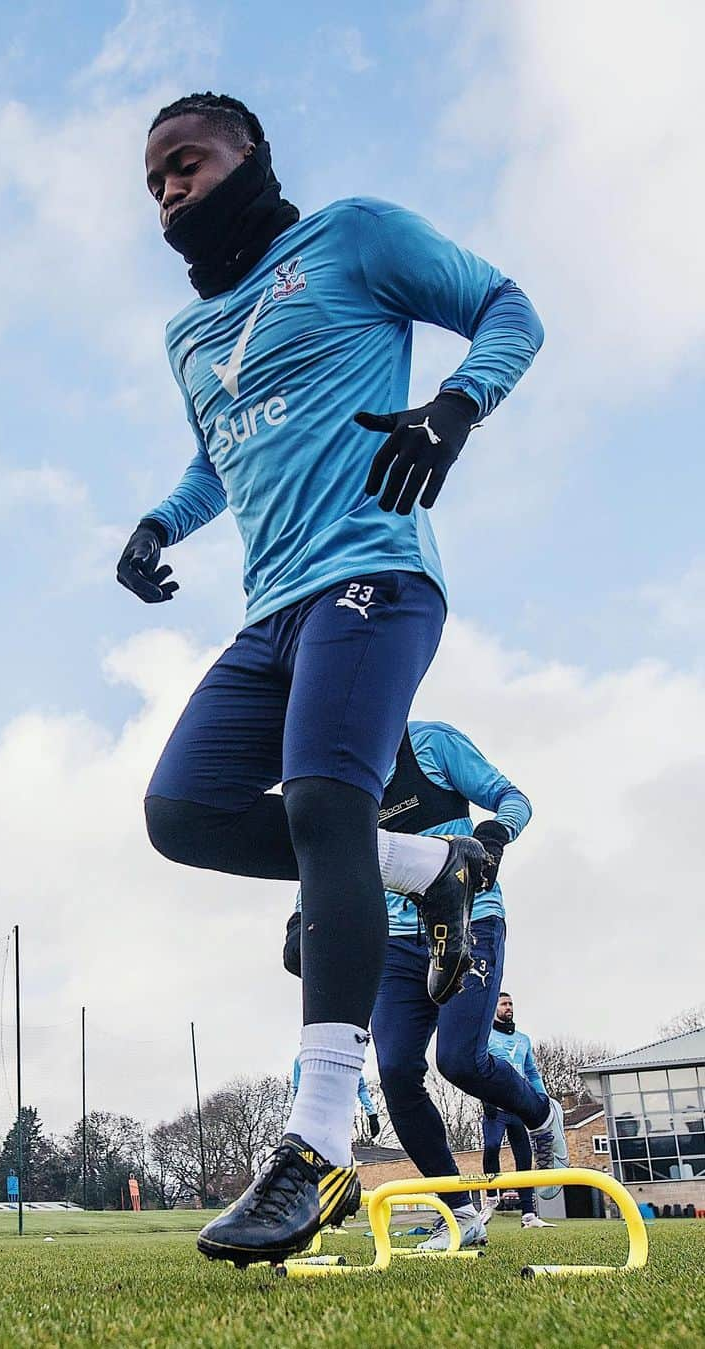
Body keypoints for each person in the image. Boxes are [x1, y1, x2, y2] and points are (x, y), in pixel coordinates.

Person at [118, 90, 543, 1265]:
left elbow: (507, 307)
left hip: (376, 574)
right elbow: (221, 448)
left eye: (186, 164)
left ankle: (315, 1149)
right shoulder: (186, 335)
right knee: (181, 810)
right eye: (153, 182)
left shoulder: (352, 236)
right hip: (270, 615)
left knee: (321, 803)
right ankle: (432, 867)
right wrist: (162, 521)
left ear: (249, 156)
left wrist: (454, 407)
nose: (169, 192)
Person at [283, 721, 567, 1251]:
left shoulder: (430, 745)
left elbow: (513, 798)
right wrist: (300, 916)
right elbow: (319, 852)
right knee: (395, 1073)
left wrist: (494, 834)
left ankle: (540, 1113)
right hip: (392, 940)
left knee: (459, 1060)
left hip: (466, 919)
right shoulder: (336, 777)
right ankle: (461, 1215)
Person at [482, 991, 556, 1229]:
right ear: (494, 1008)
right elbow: (477, 1067)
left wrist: (541, 1095)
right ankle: (491, 1199)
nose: (509, 1007)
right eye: (504, 1004)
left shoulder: (523, 1039)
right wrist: (485, 1099)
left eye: (511, 1003)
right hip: (495, 1104)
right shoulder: (485, 1036)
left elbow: (532, 1071)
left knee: (524, 1158)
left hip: (519, 1106)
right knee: (492, 1146)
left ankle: (529, 1214)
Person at [292, 1059, 381, 1141]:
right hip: (314, 1115)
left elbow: (361, 1087)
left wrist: (372, 1115)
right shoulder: (302, 1058)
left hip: (339, 1116)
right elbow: (297, 1090)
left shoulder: (346, 1057)